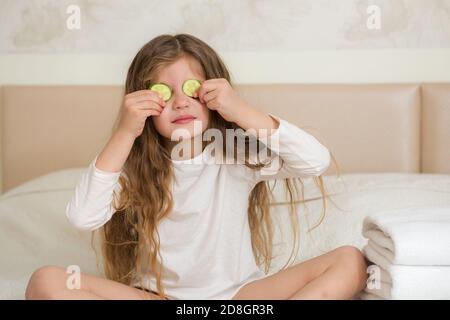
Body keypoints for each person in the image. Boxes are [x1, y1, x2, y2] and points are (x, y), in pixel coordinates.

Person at [25, 33, 367, 300]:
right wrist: (124, 133)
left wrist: (240, 110)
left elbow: (315, 161)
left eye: (191, 89)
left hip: (240, 298)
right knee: (47, 281)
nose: (180, 101)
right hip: (158, 295)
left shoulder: (236, 156)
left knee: (350, 262)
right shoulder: (132, 170)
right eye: (163, 92)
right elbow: (83, 216)